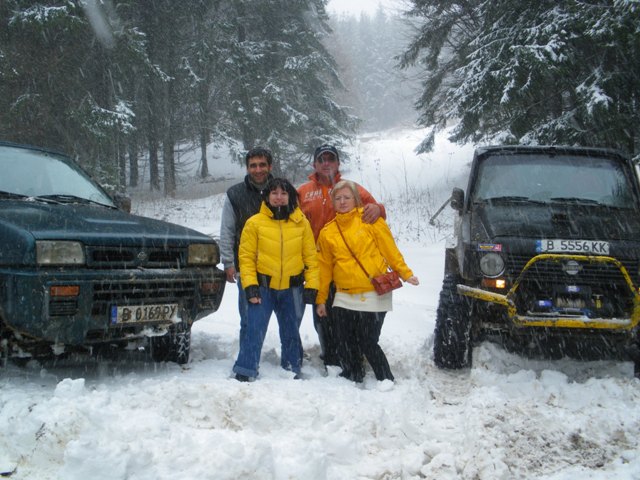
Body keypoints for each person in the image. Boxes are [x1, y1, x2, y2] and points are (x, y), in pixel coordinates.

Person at [316, 180, 419, 383]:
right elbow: (324, 269)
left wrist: (405, 273)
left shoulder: (370, 221)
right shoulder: (327, 232)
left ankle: (385, 379)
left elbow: (390, 250)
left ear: (356, 199)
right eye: (338, 198)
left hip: (373, 291)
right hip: (344, 294)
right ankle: (353, 374)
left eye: (347, 197)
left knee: (367, 341)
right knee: (345, 340)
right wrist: (321, 299)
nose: (343, 202)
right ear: (332, 202)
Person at [297, 144, 386, 367]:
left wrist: (379, 209)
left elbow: (375, 210)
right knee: (322, 313)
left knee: (350, 316)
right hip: (319, 263)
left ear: (338, 163)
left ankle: (354, 356)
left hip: (348, 266)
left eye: (331, 159)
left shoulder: (351, 188)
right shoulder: (304, 192)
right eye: (322, 159)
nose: (326, 163)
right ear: (314, 164)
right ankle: (331, 357)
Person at [232, 178, 319, 381]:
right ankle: (245, 369)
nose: (279, 198)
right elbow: (246, 258)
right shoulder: (254, 223)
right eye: (274, 193)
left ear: (290, 197)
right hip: (263, 288)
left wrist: (312, 285)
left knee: (291, 331)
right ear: (267, 197)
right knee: (254, 329)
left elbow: (311, 258)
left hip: (292, 288)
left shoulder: (301, 223)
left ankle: (292, 368)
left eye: (283, 193)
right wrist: (250, 286)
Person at [219, 147, 274, 348]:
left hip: (279, 268)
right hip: (247, 268)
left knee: (289, 322)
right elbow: (227, 230)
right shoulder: (235, 194)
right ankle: (248, 358)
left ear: (270, 166)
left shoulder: (280, 191)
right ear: (247, 168)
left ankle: (291, 360)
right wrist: (228, 262)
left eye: (262, 165)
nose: (258, 170)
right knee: (249, 319)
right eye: (253, 166)